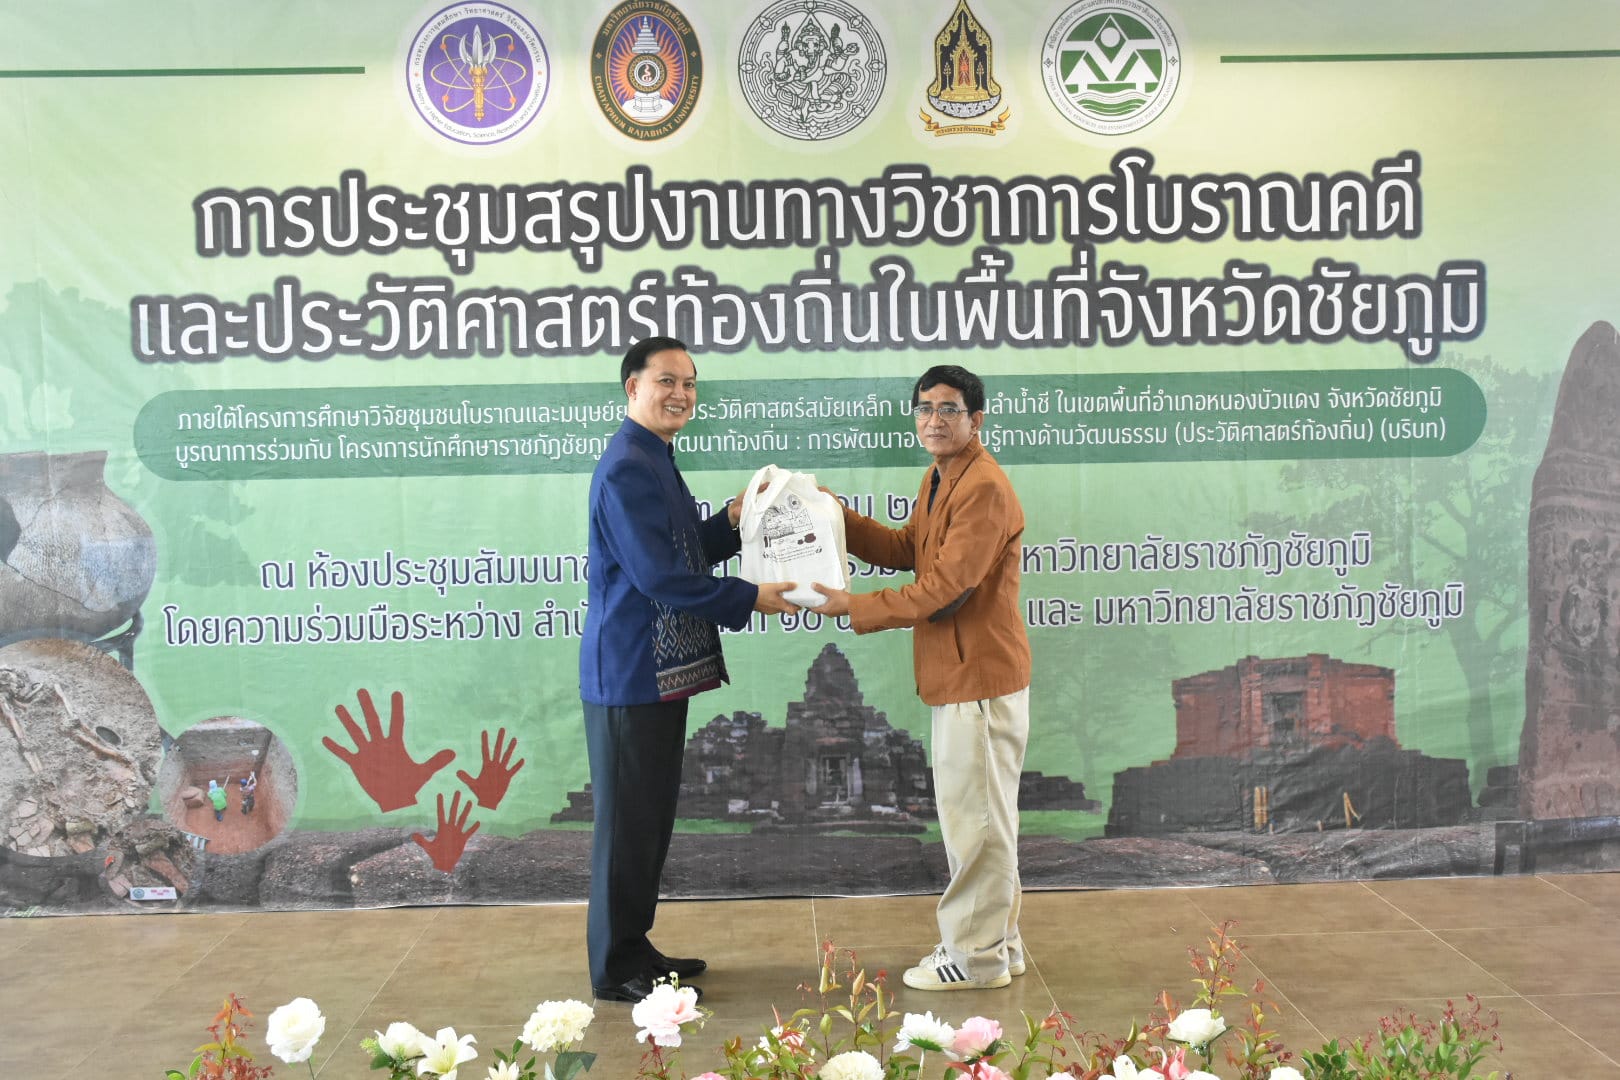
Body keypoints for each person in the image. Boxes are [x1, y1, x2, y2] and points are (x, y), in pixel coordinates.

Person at [580, 335, 799, 1005]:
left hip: (653, 673)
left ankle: (634, 943)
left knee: (647, 820)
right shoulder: (627, 465)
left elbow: (681, 551)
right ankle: (614, 965)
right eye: (666, 381)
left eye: (690, 383)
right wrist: (749, 596)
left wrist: (731, 521)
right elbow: (658, 577)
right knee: (626, 825)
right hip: (629, 672)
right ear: (633, 388)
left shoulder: (654, 457)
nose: (681, 394)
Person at [814, 364, 1031, 991]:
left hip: (977, 679)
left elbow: (942, 590)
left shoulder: (983, 487)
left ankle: (974, 958)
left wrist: (851, 606)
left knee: (977, 826)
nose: (934, 420)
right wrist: (834, 515)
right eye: (925, 408)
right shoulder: (941, 476)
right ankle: (1000, 945)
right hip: (960, 676)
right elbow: (908, 548)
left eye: (949, 409)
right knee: (984, 820)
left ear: (976, 419)